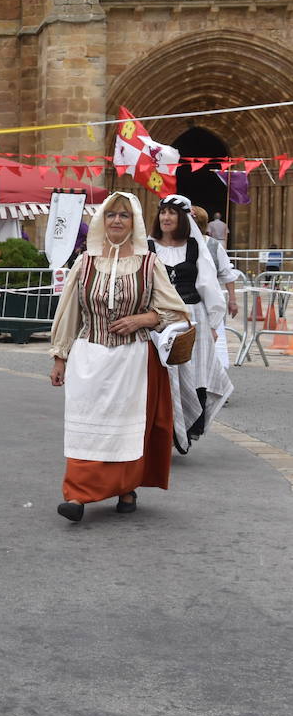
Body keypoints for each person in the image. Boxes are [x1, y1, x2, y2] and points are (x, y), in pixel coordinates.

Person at [49, 191, 190, 522]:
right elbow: (70, 312)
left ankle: (127, 488)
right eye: (111, 214)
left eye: (124, 215)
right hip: (89, 356)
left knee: (126, 428)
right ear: (102, 219)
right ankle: (77, 494)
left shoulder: (149, 263)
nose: (116, 220)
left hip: (133, 359)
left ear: (134, 221)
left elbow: (176, 311)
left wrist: (143, 319)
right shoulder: (85, 262)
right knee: (87, 427)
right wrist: (60, 357)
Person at [147, 194, 233, 453]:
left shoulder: (195, 247)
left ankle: (182, 430)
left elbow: (208, 284)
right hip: (158, 319)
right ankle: (161, 431)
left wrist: (213, 324)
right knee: (160, 376)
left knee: (192, 375)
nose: (166, 217)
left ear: (183, 218)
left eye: (172, 213)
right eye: (163, 212)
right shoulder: (148, 247)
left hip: (193, 318)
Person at [192, 206, 241, 370]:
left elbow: (227, 273)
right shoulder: (176, 245)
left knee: (214, 348)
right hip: (185, 302)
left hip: (209, 303)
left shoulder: (213, 245)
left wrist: (232, 300)